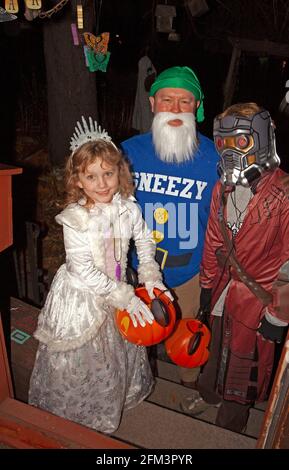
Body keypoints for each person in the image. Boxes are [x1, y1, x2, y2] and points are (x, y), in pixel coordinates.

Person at [28, 117, 172, 434]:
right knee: (83, 358)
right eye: (91, 176)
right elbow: (84, 269)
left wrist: (150, 274)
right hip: (83, 296)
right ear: (77, 179)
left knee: (115, 352)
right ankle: (75, 413)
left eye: (108, 174)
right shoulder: (75, 218)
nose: (102, 183)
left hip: (120, 287)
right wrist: (123, 296)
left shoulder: (128, 208)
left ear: (119, 172)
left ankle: (110, 399)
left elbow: (145, 239)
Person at [181, 102, 289, 433]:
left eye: (239, 142)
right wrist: (206, 284)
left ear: (260, 138)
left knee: (245, 364)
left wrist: (279, 315)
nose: (230, 151)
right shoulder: (223, 186)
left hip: (259, 297)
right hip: (223, 288)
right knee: (214, 351)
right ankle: (208, 395)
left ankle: (228, 425)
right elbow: (215, 240)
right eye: (223, 143)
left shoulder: (284, 193)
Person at [121, 66, 219, 387]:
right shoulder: (128, 152)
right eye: (167, 100)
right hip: (137, 269)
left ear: (198, 107)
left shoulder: (217, 159)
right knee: (135, 334)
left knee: (188, 340)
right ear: (152, 104)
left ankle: (188, 386)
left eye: (184, 101)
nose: (175, 109)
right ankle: (134, 385)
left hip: (189, 272)